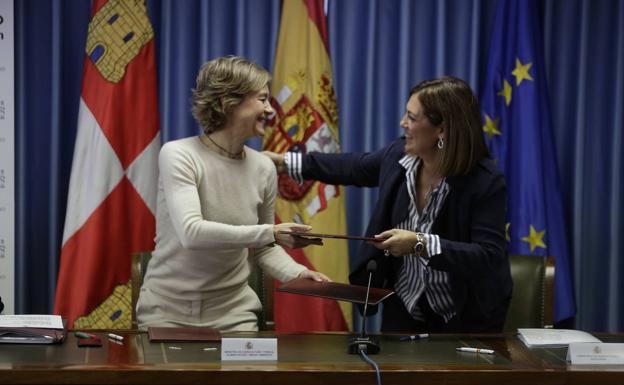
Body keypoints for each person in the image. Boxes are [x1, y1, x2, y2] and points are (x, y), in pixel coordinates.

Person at [265, 76, 512, 332]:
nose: (402, 123)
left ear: (442, 129)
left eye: (412, 118)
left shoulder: (485, 181)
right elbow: (353, 167)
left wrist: (420, 244)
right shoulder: (398, 156)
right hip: (404, 309)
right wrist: (284, 163)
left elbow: (488, 256)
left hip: (465, 316)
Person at [136, 56, 329, 332]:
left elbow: (263, 248)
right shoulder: (178, 154)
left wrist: (299, 273)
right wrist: (271, 232)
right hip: (165, 312)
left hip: (234, 314)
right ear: (229, 101)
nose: (270, 109)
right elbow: (192, 233)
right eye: (262, 99)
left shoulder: (264, 167)